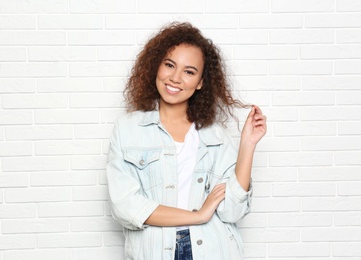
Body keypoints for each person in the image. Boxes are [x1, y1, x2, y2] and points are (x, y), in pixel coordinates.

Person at [106, 22, 267, 260]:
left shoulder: (216, 137)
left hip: (212, 248)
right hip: (155, 251)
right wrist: (198, 215)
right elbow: (125, 207)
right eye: (169, 65)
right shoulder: (128, 129)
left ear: (201, 82)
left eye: (189, 72)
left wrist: (247, 146)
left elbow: (232, 211)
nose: (175, 78)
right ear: (156, 66)